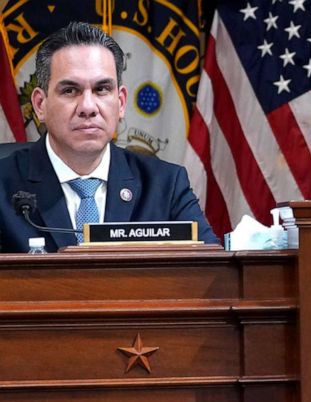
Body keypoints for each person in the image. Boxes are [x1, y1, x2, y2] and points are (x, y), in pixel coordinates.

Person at [0, 22, 217, 253]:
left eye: (101, 89)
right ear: (40, 104)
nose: (88, 107)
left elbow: (211, 276)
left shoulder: (165, 185)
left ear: (121, 103)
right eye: (69, 90)